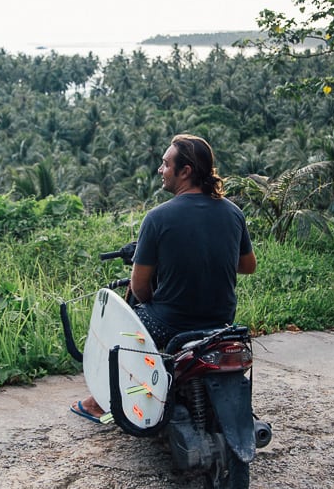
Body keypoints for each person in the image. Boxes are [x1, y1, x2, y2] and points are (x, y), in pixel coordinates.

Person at [70, 133, 257, 423]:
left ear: (185, 171)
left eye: (165, 164)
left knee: (122, 334)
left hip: (171, 324)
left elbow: (141, 287)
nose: (161, 170)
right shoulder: (234, 213)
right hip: (221, 321)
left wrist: (158, 294)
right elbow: (247, 266)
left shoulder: (157, 218)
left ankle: (100, 401)